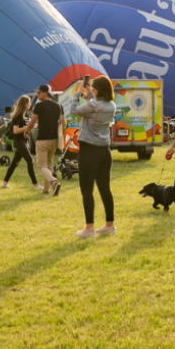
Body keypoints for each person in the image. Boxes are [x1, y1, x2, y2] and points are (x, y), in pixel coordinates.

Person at [73, 76, 117, 237]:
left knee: (87, 190)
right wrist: (90, 93)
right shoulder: (111, 105)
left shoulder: (93, 105)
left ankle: (89, 227)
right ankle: (109, 225)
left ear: (97, 90)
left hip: (88, 151)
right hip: (104, 151)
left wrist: (78, 93)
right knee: (105, 188)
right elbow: (95, 106)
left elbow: (74, 110)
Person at [27, 84, 65, 196]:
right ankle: (46, 190)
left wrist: (27, 131)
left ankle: (53, 182)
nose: (37, 94)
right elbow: (63, 123)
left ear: (45, 93)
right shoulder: (58, 106)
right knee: (48, 164)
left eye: (39, 92)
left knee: (41, 166)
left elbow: (32, 122)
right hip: (54, 140)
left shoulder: (39, 106)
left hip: (42, 139)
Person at [2, 95, 42, 190]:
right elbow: (15, 130)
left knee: (15, 163)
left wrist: (27, 130)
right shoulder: (18, 116)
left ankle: (4, 183)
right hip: (19, 142)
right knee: (30, 161)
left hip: (22, 141)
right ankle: (36, 185)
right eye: (29, 102)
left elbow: (22, 130)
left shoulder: (24, 115)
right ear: (24, 104)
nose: (30, 104)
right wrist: (29, 126)